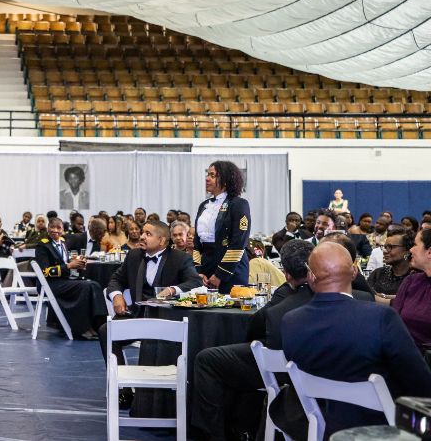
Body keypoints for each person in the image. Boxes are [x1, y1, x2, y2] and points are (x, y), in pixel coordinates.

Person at [279, 242, 431, 438]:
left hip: (314, 422)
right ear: (354, 272)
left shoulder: (291, 322)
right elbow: (421, 383)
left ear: (310, 277)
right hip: (379, 425)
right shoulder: (381, 318)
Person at [192, 240, 315, 440]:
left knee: (208, 360)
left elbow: (257, 325)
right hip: (322, 370)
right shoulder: (356, 295)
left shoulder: (285, 298)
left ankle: (213, 436)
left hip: (285, 367)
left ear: (286, 273)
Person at [100, 220, 201, 408]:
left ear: (162, 240)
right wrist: (117, 296)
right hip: (138, 315)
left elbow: (195, 282)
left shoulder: (179, 258)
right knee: (107, 331)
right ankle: (123, 390)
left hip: (166, 319)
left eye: (148, 234)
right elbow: (116, 279)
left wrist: (172, 289)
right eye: (143, 233)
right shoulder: (134, 255)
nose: (142, 237)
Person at [35, 217, 107, 339]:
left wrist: (77, 262)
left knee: (94, 284)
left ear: (63, 230)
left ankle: (98, 325)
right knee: (86, 286)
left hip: (63, 280)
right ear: (48, 228)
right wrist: (69, 266)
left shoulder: (62, 242)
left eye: (58, 228)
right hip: (49, 283)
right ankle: (82, 328)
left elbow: (65, 261)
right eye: (52, 227)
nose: (55, 230)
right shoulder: (43, 245)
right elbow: (45, 272)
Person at [193, 160, 250, 293]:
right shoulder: (204, 205)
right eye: (207, 174)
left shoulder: (239, 204)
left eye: (212, 175)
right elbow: (197, 243)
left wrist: (220, 274)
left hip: (231, 268)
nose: (207, 178)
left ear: (225, 180)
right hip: (206, 268)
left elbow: (239, 243)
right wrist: (198, 271)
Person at [393, 228, 431, 351]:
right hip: (402, 353)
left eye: (415, 245)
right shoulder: (411, 281)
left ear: (429, 252)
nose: (411, 250)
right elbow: (394, 323)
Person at [367, 227, 414, 304]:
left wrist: (382, 297)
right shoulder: (378, 273)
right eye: (385, 247)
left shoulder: (415, 278)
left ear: (407, 250)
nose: (385, 251)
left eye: (390, 247)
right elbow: (366, 298)